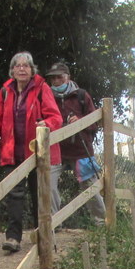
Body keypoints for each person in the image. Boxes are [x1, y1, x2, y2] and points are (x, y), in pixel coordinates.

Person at [0, 52, 62, 253]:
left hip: (36, 151)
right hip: (12, 151)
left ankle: (41, 233)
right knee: (14, 194)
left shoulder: (41, 88)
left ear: (31, 69)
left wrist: (45, 123)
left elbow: (55, 117)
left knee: (39, 193)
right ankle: (13, 237)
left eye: (25, 65)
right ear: (12, 70)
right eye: (17, 65)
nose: (21, 69)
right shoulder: (5, 91)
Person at [45, 62, 105, 224]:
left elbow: (94, 122)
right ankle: (54, 223)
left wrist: (80, 122)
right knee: (48, 185)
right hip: (56, 150)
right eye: (53, 78)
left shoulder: (81, 96)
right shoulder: (46, 97)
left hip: (80, 150)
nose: (56, 81)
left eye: (60, 77)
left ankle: (101, 223)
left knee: (90, 187)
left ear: (68, 77)